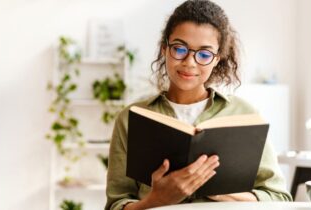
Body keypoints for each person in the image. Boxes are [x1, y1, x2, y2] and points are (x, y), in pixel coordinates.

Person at [105, 0, 292, 209]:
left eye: (204, 54)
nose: (190, 62)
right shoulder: (131, 118)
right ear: (164, 49)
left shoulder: (245, 114)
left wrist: (221, 192)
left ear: (217, 58)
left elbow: (279, 198)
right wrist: (157, 199)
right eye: (179, 48)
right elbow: (116, 204)